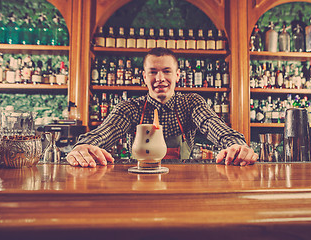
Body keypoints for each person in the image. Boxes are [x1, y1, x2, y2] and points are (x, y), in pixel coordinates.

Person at [67, 47, 258, 167]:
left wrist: (236, 145)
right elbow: (103, 133)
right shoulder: (130, 108)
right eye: (153, 72)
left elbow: (215, 126)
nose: (159, 79)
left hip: (185, 185)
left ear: (177, 76)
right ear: (144, 77)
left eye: (166, 71)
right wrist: (84, 147)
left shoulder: (191, 103)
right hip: (139, 183)